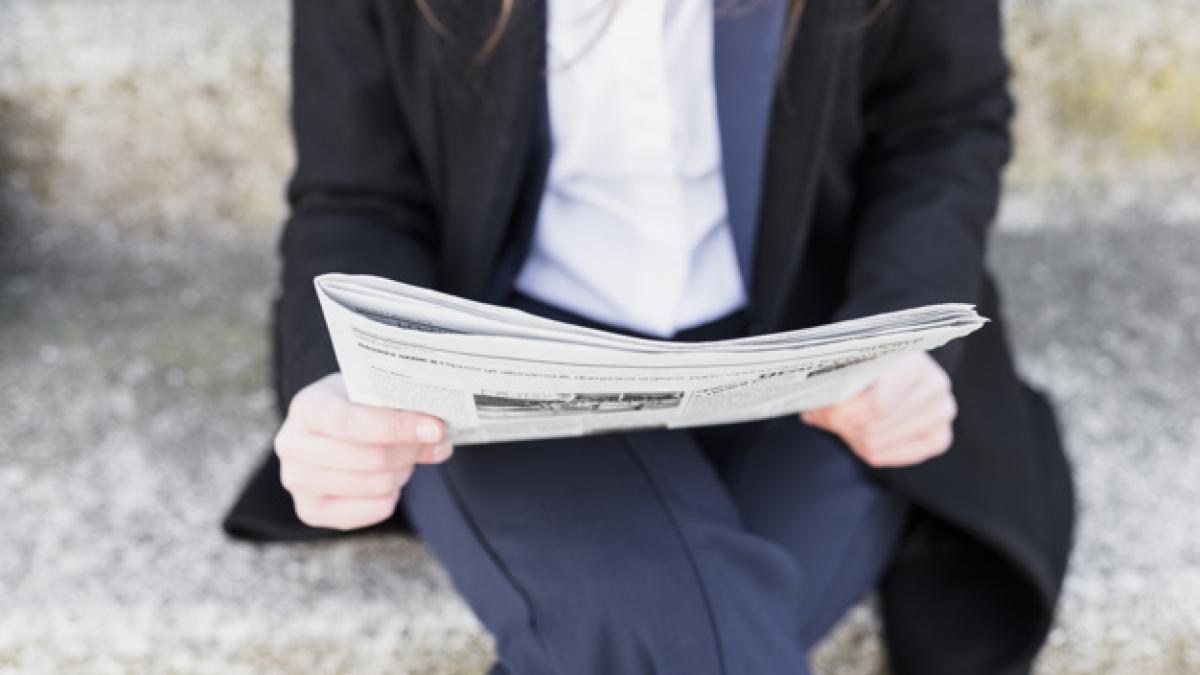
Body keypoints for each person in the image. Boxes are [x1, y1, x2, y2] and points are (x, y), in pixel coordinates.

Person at [224, 1, 1075, 673]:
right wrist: (340, 379)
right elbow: (358, 195)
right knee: (649, 610)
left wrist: (899, 332)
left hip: (811, 347)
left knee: (654, 627)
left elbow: (943, 124)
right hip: (506, 359)